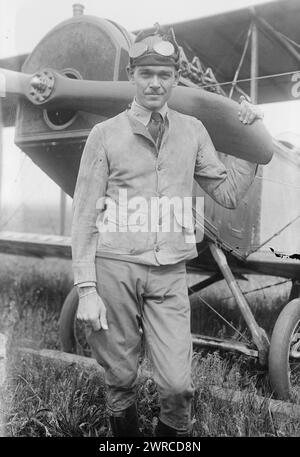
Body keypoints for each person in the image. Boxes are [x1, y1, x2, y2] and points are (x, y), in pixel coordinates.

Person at [71, 25, 263, 437]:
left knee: (177, 385)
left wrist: (249, 141)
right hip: (114, 269)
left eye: (164, 74)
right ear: (132, 76)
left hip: (169, 270)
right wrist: (87, 290)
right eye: (146, 74)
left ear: (175, 78)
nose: (155, 82)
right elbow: (85, 217)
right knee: (121, 377)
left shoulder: (193, 130)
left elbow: (227, 193)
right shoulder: (104, 135)